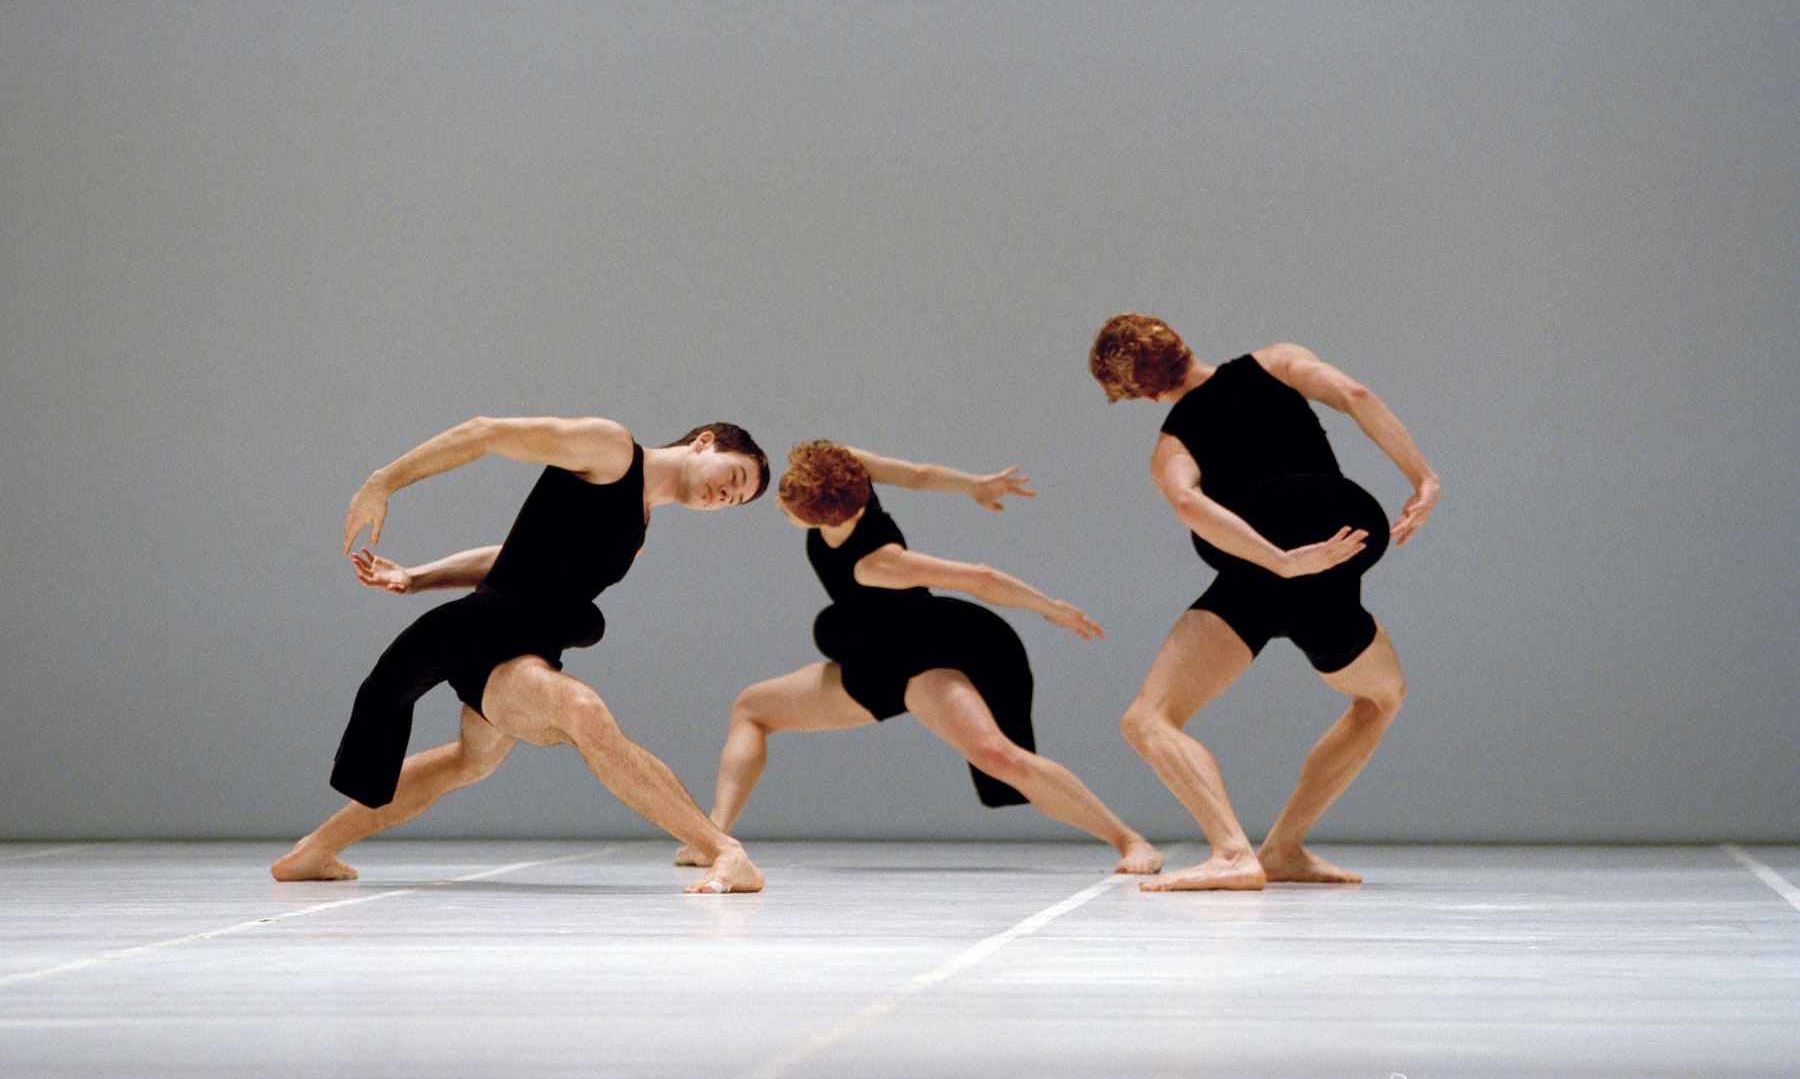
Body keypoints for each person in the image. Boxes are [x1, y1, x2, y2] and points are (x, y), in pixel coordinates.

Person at [272, 415, 772, 894]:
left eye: (735, 500)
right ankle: (723, 850)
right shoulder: (612, 450)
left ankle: (311, 853)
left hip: (517, 641)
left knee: (470, 762)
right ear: (705, 442)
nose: (725, 496)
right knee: (583, 713)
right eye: (733, 477)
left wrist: (417, 578)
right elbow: (485, 432)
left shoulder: (638, 533)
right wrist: (382, 482)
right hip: (491, 635)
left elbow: (508, 556)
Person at [677, 440, 1164, 875]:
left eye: (791, 509)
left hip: (928, 651)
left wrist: (1051, 609)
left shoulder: (878, 563)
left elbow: (979, 578)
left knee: (999, 757)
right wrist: (975, 485)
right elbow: (918, 474)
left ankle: (1131, 841)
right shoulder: (844, 468)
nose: (779, 507)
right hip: (872, 651)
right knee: (752, 708)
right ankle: (714, 839)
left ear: (827, 517)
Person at [1089, 314, 1439, 891]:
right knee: (1383, 697)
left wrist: (1280, 560)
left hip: (1259, 578)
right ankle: (1284, 847)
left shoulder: (1172, 444)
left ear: (1144, 394)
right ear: (1180, 342)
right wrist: (1422, 478)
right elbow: (1356, 395)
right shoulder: (1276, 361)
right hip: (1335, 563)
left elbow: (1186, 502)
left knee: (1148, 719)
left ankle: (1234, 852)